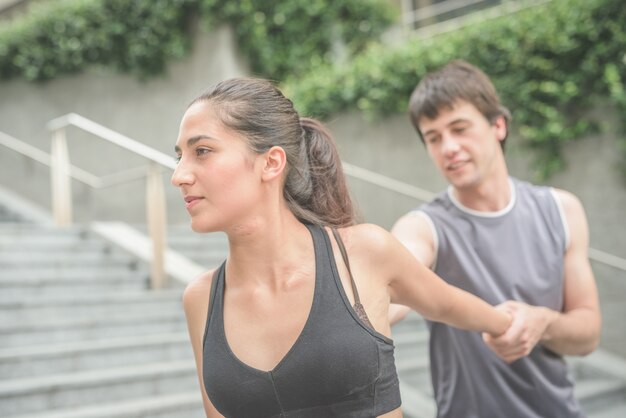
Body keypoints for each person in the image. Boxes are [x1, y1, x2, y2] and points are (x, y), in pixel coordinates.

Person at [171, 77, 511, 418]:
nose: (179, 175)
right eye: (180, 156)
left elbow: (445, 303)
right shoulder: (200, 299)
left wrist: (506, 323)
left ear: (271, 163)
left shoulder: (363, 253)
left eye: (202, 151)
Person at [390, 59, 602, 418]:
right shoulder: (423, 227)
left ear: (498, 126)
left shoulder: (561, 209)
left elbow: (588, 333)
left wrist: (543, 322)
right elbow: (390, 287)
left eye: (460, 128)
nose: (449, 148)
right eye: (434, 137)